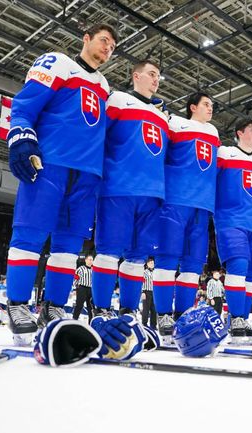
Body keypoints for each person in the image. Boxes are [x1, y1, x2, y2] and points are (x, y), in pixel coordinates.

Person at [4, 24, 117, 345]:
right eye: (103, 40)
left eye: (113, 45)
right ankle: (17, 305)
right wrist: (22, 138)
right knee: (31, 231)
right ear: (86, 39)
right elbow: (25, 105)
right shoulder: (57, 62)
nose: (108, 47)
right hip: (51, 163)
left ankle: (52, 307)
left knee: (69, 245)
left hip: (87, 173)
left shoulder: (104, 85)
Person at [91, 60, 169, 325]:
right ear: (136, 76)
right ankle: (100, 309)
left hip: (152, 194)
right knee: (109, 251)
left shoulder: (162, 115)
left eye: (158, 76)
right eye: (151, 74)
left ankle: (128, 312)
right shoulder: (119, 100)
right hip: (118, 187)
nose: (156, 79)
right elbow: (98, 134)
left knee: (137, 257)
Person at [152, 92, 220, 342]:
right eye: (206, 104)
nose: (210, 108)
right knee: (167, 259)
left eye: (212, 105)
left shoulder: (213, 133)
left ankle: (182, 315)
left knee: (193, 265)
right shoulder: (175, 123)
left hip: (202, 206)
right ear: (192, 107)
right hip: (175, 200)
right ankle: (163, 315)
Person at [214, 117, 252, 344]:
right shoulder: (224, 153)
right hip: (231, 220)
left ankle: (242, 319)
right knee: (238, 266)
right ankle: (235, 318)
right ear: (239, 133)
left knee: (251, 276)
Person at [73, 255, 94, 322]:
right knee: (79, 305)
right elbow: (75, 279)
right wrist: (75, 288)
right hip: (82, 288)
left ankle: (91, 321)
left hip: (91, 289)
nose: (91, 261)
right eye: (89, 259)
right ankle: (74, 319)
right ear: (86, 260)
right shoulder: (80, 269)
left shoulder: (94, 270)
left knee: (91, 307)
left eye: (92, 260)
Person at [141, 258, 157, 329]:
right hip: (146, 292)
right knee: (146, 309)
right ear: (147, 264)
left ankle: (153, 325)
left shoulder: (155, 272)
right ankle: (144, 324)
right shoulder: (144, 272)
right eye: (150, 263)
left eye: (153, 263)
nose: (152, 264)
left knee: (154, 309)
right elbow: (142, 282)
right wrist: (143, 292)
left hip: (154, 292)